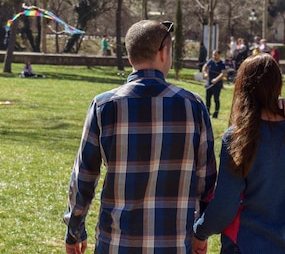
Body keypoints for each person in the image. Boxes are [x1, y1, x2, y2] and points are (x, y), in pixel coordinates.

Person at [63, 20, 218, 254]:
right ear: (164, 52)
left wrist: (74, 230)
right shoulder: (193, 106)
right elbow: (206, 181)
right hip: (175, 243)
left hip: (117, 243)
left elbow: (83, 177)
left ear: (129, 58)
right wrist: (200, 232)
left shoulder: (104, 106)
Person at [193, 54, 285, 254]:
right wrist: (282, 104)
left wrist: (199, 233)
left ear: (242, 89)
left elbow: (224, 206)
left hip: (244, 245)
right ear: (279, 86)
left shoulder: (237, 137)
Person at [203, 49, 226, 119]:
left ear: (219, 55)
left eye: (215, 55)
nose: (214, 56)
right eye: (213, 54)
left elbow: (223, 73)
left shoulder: (222, 63)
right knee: (207, 98)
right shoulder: (211, 61)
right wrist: (205, 73)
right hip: (209, 83)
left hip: (217, 85)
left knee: (216, 99)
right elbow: (204, 67)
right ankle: (207, 112)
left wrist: (216, 79)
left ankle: (215, 114)